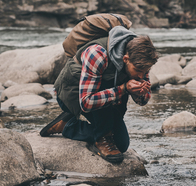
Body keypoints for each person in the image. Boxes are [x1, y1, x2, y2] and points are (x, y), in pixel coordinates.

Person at [39, 25, 158, 164]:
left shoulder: (141, 61)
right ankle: (88, 132)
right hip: (73, 94)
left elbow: (143, 101)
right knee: (111, 139)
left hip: (104, 98)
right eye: (138, 70)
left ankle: (67, 125)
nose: (141, 75)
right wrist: (124, 88)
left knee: (121, 144)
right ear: (125, 59)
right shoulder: (97, 54)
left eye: (146, 71)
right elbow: (86, 102)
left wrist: (141, 93)